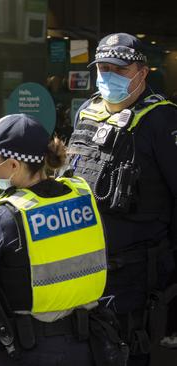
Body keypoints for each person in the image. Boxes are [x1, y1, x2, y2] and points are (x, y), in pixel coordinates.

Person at [0, 114, 118, 365]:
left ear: (13, 165)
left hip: (31, 349)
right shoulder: (79, 195)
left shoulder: (4, 218)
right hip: (89, 343)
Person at [67, 33, 177, 366]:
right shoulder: (88, 110)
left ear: (142, 72)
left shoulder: (162, 118)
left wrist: (168, 264)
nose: (108, 75)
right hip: (83, 264)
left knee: (125, 350)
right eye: (102, 67)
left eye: (119, 68)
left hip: (133, 269)